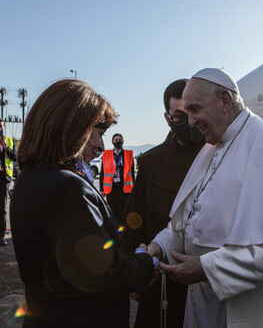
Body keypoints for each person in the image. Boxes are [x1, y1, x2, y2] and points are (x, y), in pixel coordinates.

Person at [147, 68, 263, 327]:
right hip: (207, 299)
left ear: (224, 100)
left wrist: (207, 268)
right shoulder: (210, 149)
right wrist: (158, 246)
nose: (190, 121)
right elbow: (186, 224)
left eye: (195, 110)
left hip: (260, 299)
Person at [10, 79, 156, 328]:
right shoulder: (68, 188)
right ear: (73, 128)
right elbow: (104, 274)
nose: (101, 146)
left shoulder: (30, 178)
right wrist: (146, 261)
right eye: (98, 134)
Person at [123, 79, 205, 328]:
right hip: (159, 277)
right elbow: (132, 218)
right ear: (167, 119)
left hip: (205, 277)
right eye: (179, 115)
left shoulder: (216, 155)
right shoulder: (151, 161)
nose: (188, 121)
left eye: (192, 111)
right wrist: (134, 273)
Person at [100, 133, 135, 224]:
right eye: (116, 140)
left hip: (124, 187)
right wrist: (101, 189)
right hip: (111, 187)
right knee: (112, 210)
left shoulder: (128, 154)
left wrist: (134, 188)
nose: (118, 141)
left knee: (123, 210)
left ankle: (123, 230)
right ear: (112, 142)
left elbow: (132, 173)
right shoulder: (106, 154)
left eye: (120, 140)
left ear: (123, 141)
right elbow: (102, 173)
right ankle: (114, 229)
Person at [0, 119, 16, 247]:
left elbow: (15, 157)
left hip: (4, 177)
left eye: (1, 127)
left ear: (4, 127)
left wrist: (6, 147)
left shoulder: (9, 141)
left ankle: (1, 236)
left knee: (3, 208)